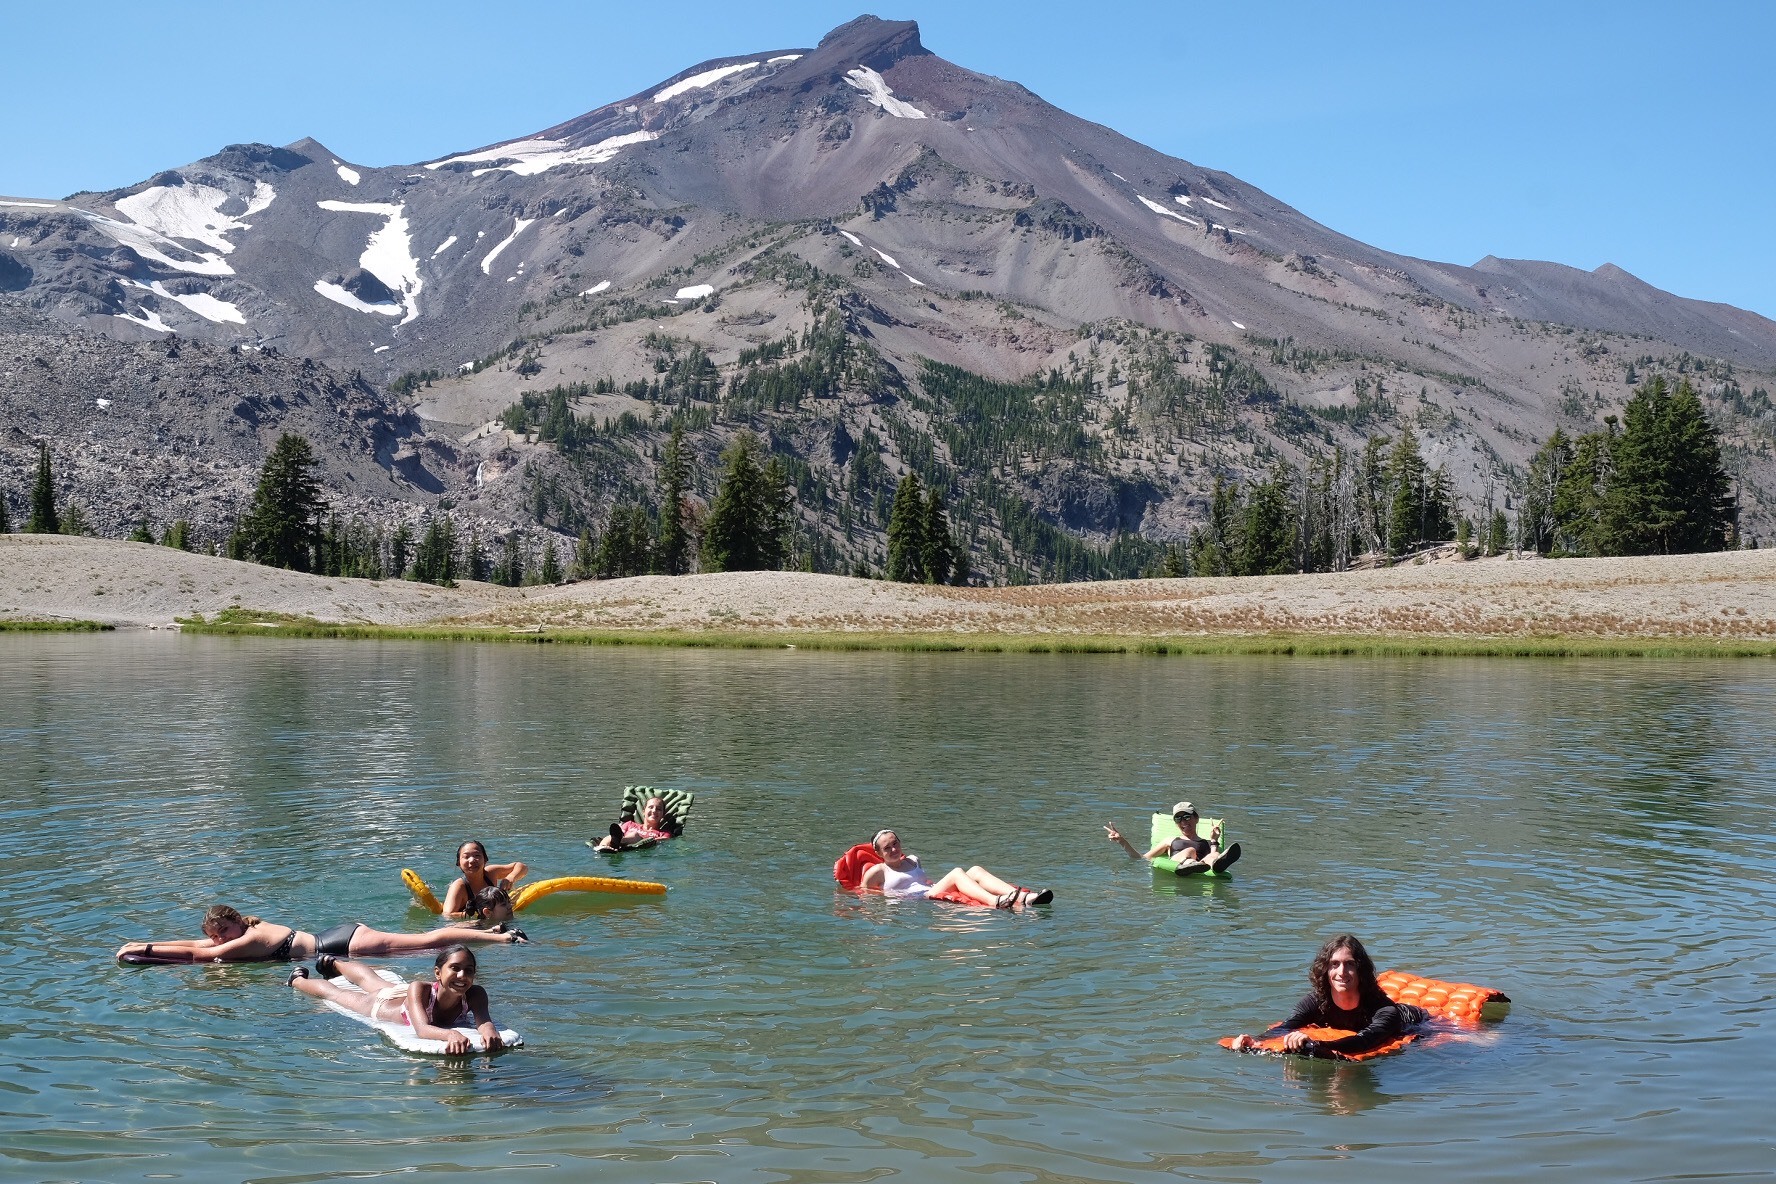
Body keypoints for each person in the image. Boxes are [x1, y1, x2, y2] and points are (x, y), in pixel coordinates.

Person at [1229, 934, 1429, 1058]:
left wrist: (1315, 1046)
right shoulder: (1315, 1002)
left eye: (1350, 964)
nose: (1341, 972)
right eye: (1335, 964)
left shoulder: (1384, 1010)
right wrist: (1254, 1041)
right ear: (1325, 970)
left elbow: (1365, 1041)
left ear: (1361, 971)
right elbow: (1286, 1027)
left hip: (1418, 1022)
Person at [116, 904, 526, 964]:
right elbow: (195, 945)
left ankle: (501, 937)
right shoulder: (246, 933)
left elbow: (201, 956)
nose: (219, 939)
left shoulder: (254, 936)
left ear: (237, 922)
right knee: (423, 942)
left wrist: (146, 954)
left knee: (428, 941)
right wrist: (142, 944)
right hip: (337, 938)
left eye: (223, 930)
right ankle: (486, 929)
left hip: (344, 944)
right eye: (216, 934)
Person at [290, 945, 504, 1054]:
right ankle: (297, 980)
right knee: (338, 994)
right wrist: (451, 1034)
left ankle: (333, 964)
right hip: (381, 1005)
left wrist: (489, 1031)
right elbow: (422, 1029)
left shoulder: (475, 994)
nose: (462, 976)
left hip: (404, 997)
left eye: (468, 971)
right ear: (438, 973)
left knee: (372, 979)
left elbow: (484, 1021)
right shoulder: (420, 988)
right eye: (455, 969)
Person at [856, 829, 1053, 908]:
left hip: (928, 891)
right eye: (887, 848)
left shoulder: (914, 860)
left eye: (895, 844)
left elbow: (924, 881)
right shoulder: (878, 871)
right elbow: (864, 894)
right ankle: (996, 902)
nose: (893, 849)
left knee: (975, 870)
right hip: (916, 900)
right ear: (879, 853)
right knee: (957, 872)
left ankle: (1026, 898)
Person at [1104, 800, 1242, 873]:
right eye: (1178, 819)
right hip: (1180, 862)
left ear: (1196, 818)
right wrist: (1122, 841)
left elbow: (1213, 853)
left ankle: (1214, 867)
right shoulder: (1171, 840)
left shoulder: (1206, 843)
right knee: (1190, 851)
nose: (1183, 822)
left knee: (1214, 855)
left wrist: (1214, 839)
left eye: (1187, 817)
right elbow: (1142, 858)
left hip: (1203, 864)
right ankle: (1189, 865)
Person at [441, 840, 528, 918]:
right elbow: (447, 915)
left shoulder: (490, 873)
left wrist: (510, 878)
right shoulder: (459, 886)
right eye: (466, 857)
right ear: (459, 863)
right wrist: (478, 915)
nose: (472, 860)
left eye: (477, 855)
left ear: (485, 859)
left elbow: (522, 867)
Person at [593, 795, 675, 852]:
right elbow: (617, 832)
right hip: (617, 844)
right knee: (611, 836)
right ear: (643, 811)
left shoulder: (664, 833)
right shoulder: (629, 824)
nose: (654, 811)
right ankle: (603, 847)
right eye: (650, 807)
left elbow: (660, 841)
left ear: (663, 815)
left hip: (634, 848)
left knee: (635, 834)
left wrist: (643, 838)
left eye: (659, 809)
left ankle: (618, 842)